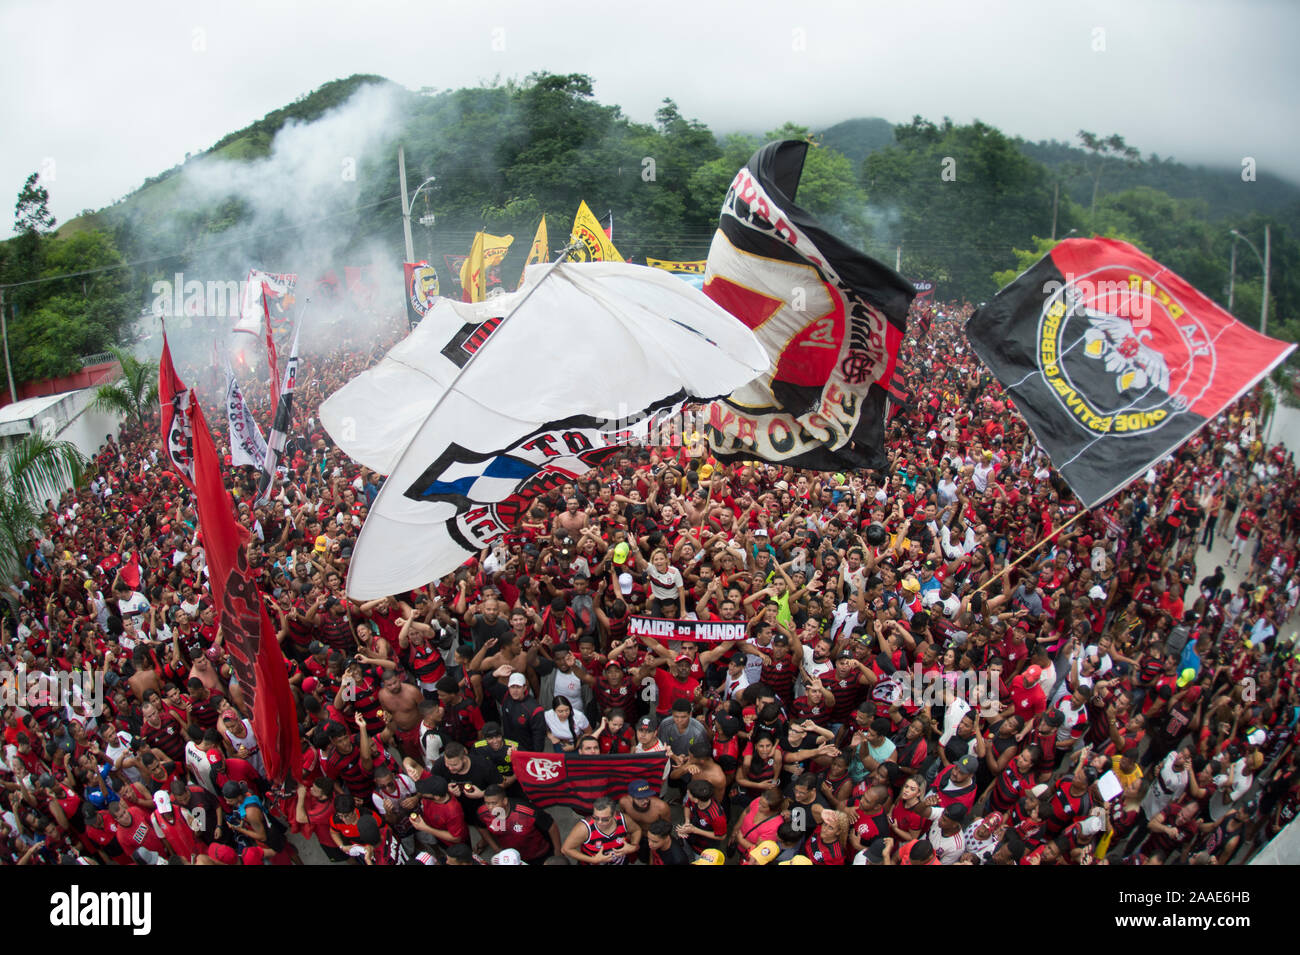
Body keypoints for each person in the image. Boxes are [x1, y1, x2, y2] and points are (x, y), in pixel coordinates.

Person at [561, 796, 641, 865]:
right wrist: (593, 860)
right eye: (596, 818)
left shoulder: (624, 820)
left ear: (614, 814)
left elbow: (636, 830)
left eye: (605, 819)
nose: (599, 822)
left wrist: (634, 845)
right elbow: (566, 849)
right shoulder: (584, 828)